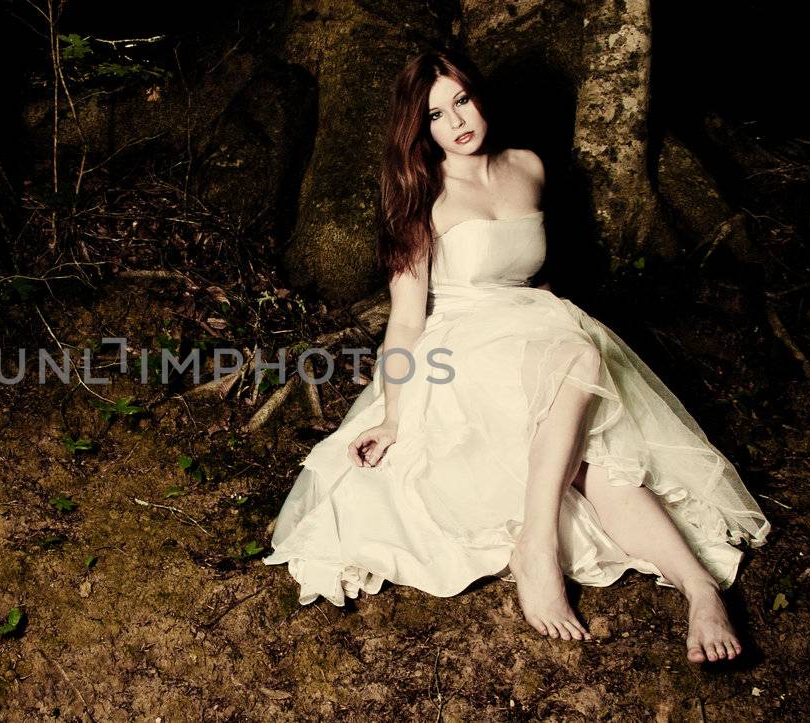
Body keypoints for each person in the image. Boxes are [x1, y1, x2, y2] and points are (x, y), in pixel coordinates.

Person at [261, 49, 772, 664]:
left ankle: (699, 589)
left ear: (478, 97)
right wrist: (394, 416)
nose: (456, 122)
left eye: (461, 101)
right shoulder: (419, 196)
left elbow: (529, 274)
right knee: (582, 369)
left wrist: (538, 329)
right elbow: (403, 320)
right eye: (435, 115)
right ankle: (537, 546)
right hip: (459, 343)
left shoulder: (528, 166)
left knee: (599, 445)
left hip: (533, 325)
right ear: (418, 130)